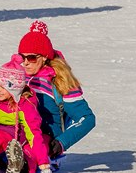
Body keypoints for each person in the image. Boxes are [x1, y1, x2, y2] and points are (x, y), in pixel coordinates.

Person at [10, 20, 96, 170]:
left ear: (44, 57)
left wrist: (60, 143)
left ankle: (20, 165)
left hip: (44, 137)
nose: (26, 63)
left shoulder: (59, 80)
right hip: (16, 131)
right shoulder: (19, 75)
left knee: (26, 150)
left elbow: (87, 119)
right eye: (22, 57)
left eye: (31, 58)